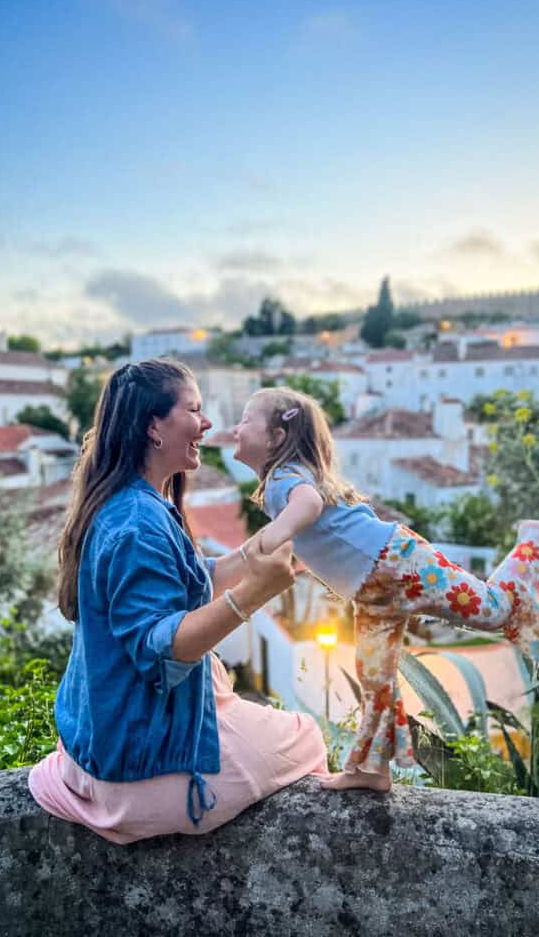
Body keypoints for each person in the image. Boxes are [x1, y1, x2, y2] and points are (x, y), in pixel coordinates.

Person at [28, 360, 328, 843]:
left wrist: (254, 554)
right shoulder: (137, 523)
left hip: (107, 745)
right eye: (193, 409)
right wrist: (256, 593)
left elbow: (189, 581)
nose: (207, 424)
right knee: (306, 735)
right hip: (141, 767)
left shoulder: (132, 502)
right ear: (154, 426)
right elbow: (161, 648)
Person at [233, 385, 539, 793]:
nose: (235, 429)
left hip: (397, 563)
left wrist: (269, 539)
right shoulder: (283, 481)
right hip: (373, 590)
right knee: (376, 680)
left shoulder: (284, 480)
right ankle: (371, 770)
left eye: (243, 420)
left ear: (276, 438)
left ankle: (533, 539)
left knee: (491, 609)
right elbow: (317, 530)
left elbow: (307, 506)